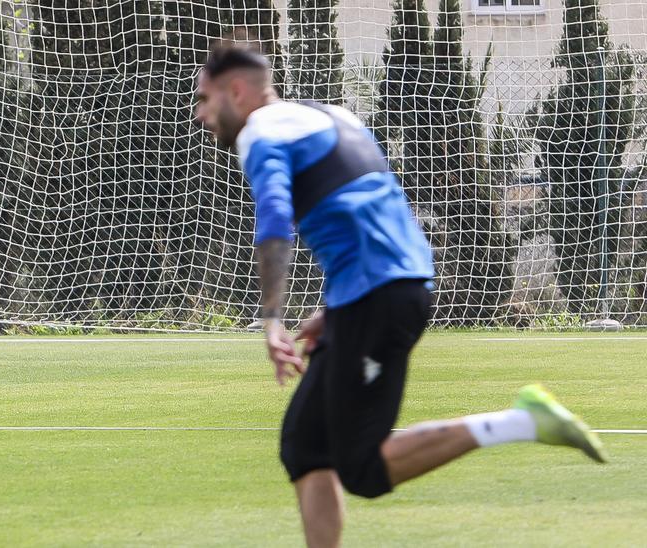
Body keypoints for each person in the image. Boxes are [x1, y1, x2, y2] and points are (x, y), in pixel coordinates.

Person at [192, 43, 607, 548]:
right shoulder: (331, 116)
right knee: (306, 444)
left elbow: (275, 222)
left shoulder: (260, 131)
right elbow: (370, 216)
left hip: (381, 296)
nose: (201, 114)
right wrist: (334, 306)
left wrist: (272, 319)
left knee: (362, 467)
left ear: (236, 91)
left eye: (205, 99)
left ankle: (521, 421)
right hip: (382, 290)